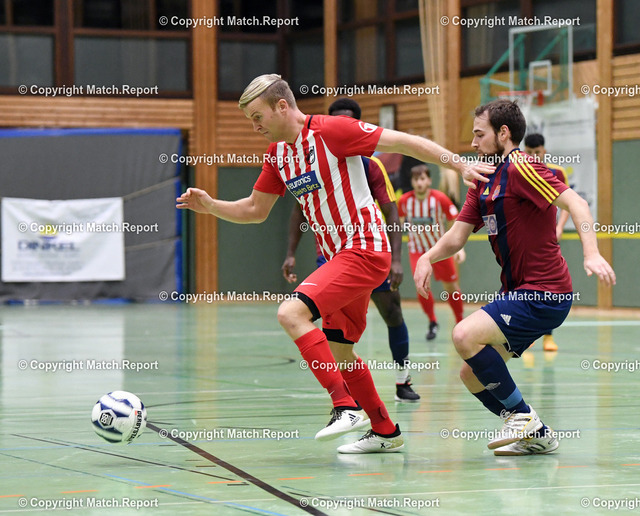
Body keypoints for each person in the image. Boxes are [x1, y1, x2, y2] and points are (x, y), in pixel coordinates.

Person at [177, 74, 493, 454]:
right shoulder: (277, 155)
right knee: (341, 353)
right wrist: (211, 206)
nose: (255, 126)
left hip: (365, 247)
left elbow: (403, 142)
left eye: (257, 117)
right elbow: (255, 210)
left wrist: (458, 164)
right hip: (336, 256)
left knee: (291, 313)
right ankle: (386, 431)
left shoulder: (331, 131)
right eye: (250, 120)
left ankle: (345, 405)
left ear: (282, 106)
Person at [413, 99, 615, 456]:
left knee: (463, 334)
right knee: (471, 375)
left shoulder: (523, 166)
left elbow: (578, 204)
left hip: (546, 291)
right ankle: (538, 436)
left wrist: (592, 253)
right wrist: (428, 257)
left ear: (503, 133)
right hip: (519, 292)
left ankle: (522, 417)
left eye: (480, 134)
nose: (473, 143)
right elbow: (457, 236)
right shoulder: (482, 181)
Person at [282, 98, 420, 403]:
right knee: (333, 329)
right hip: (331, 257)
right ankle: (347, 398)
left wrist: (397, 260)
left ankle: (402, 380)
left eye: (346, 121)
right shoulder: (312, 162)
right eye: (334, 120)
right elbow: (298, 211)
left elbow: (391, 213)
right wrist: (291, 252)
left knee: (393, 313)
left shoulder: (371, 166)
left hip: (368, 251)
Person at [398, 164, 465, 341]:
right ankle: (432, 321)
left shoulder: (440, 199)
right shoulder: (404, 201)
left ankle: (460, 321)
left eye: (422, 178)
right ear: (412, 182)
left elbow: (454, 221)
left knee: (451, 287)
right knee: (422, 287)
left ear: (429, 180)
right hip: (417, 251)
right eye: (416, 179)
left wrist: (459, 247)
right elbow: (398, 224)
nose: (419, 183)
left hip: (440, 250)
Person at [523, 133, 571, 352]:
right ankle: (528, 333)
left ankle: (548, 337)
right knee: (524, 285)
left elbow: (569, 202)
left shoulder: (557, 172)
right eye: (529, 152)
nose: (534, 156)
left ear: (544, 151)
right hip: (524, 239)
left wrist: (559, 227)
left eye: (537, 152)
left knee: (549, 286)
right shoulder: (518, 172)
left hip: (547, 240)